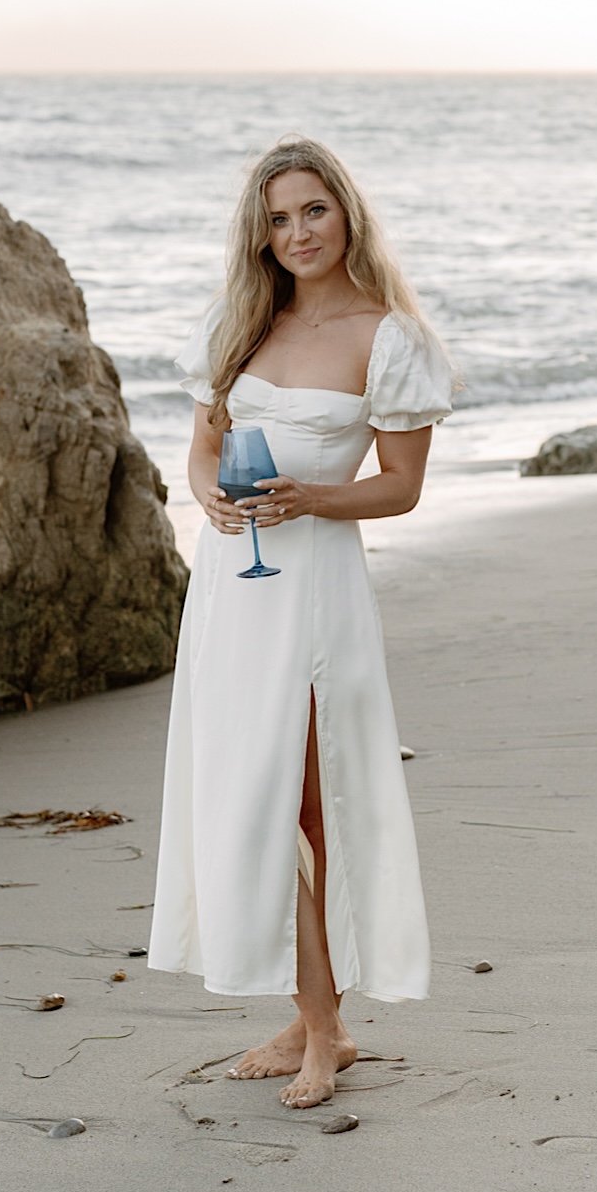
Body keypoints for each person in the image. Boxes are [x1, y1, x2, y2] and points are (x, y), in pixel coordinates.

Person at [148, 135, 452, 1110]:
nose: (297, 232)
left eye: (312, 210)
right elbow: (202, 453)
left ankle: (326, 1032)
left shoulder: (387, 337)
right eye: (278, 218)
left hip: (315, 593)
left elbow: (400, 488)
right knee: (244, 798)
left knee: (304, 805)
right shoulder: (238, 325)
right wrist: (211, 501)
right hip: (232, 588)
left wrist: (311, 500)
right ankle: (309, 1010)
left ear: (346, 211)